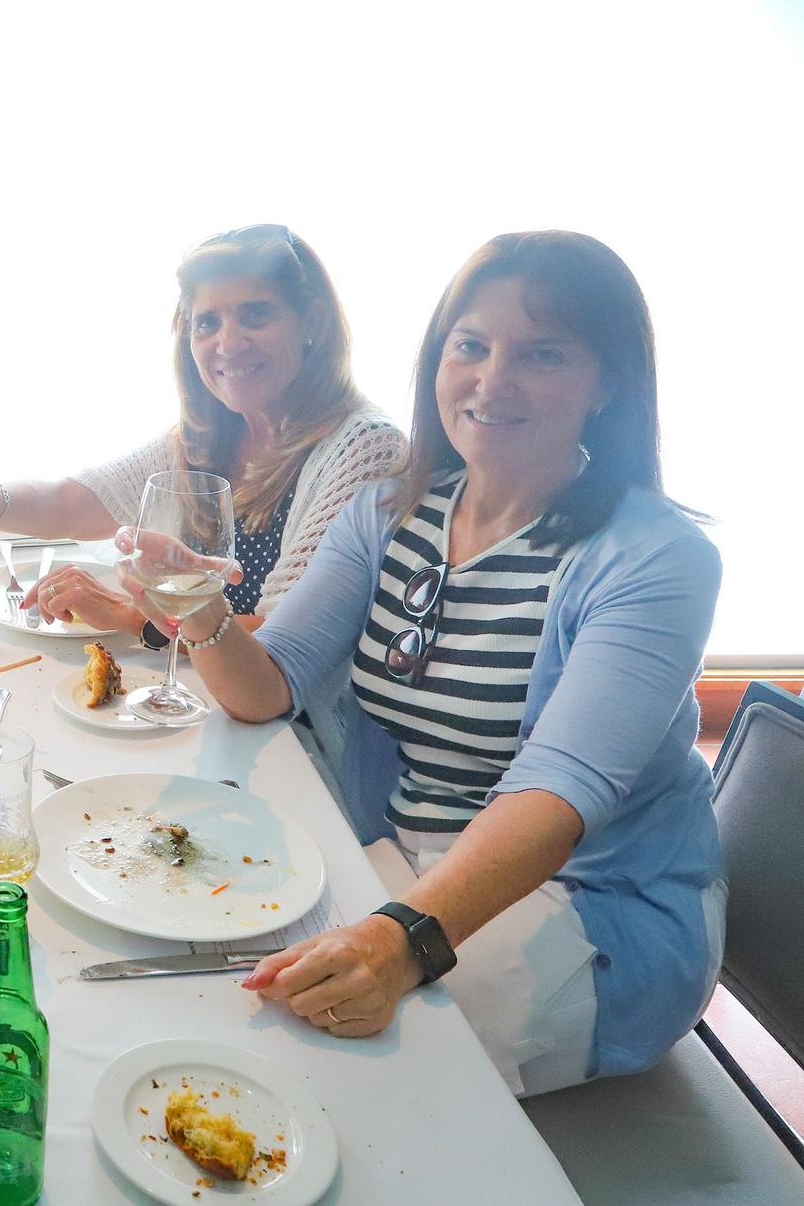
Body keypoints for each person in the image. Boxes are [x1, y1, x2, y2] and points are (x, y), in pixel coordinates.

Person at [119, 232, 723, 1096]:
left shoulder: (656, 559)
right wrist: (201, 607)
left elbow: (557, 793)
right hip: (403, 859)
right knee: (199, 959)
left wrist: (399, 940)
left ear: (610, 383)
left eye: (542, 353)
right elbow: (270, 686)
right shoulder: (390, 512)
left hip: (584, 907)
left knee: (312, 1071)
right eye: (469, 345)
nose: (491, 379)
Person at [0, 224, 404, 638]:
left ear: (311, 320)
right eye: (207, 323)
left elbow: (284, 639)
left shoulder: (363, 448)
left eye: (255, 315)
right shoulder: (212, 433)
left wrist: (132, 616)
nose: (228, 342)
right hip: (210, 699)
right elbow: (75, 502)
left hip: (296, 738)